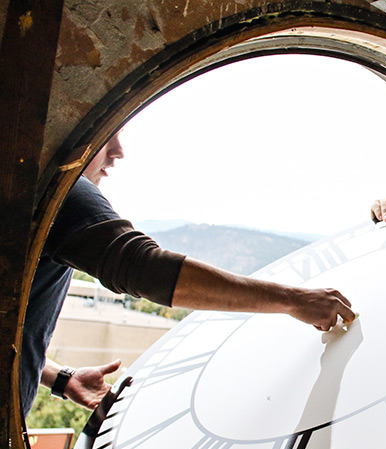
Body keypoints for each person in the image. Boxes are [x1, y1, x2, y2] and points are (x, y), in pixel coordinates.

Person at [22, 131, 355, 417]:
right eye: (105, 134)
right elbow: (145, 268)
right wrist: (294, 300)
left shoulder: (23, 178)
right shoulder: (60, 185)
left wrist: (59, 377)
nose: (118, 151)